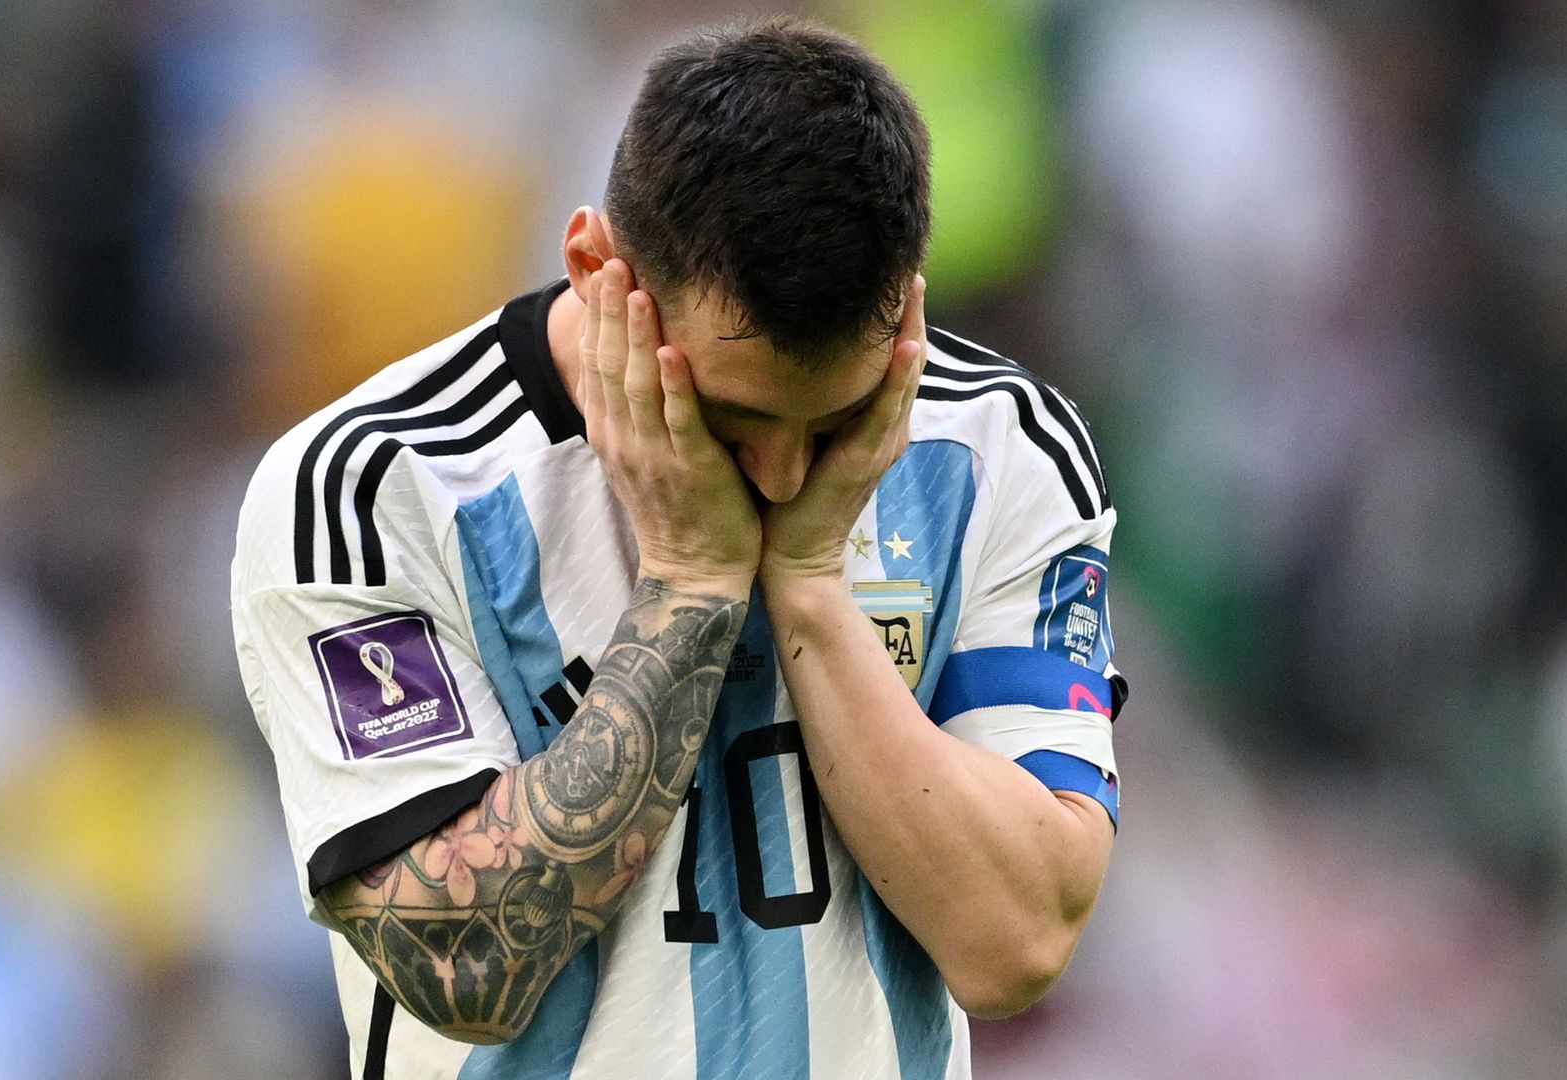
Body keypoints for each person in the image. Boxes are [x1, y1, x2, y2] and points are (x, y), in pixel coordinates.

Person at [231, 18, 1122, 1079]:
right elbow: (462, 966)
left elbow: (1014, 945)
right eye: (737, 417)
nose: (787, 477)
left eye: (835, 419)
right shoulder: (376, 486)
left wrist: (808, 591)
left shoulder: (1000, 447)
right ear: (599, 270)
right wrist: (693, 585)